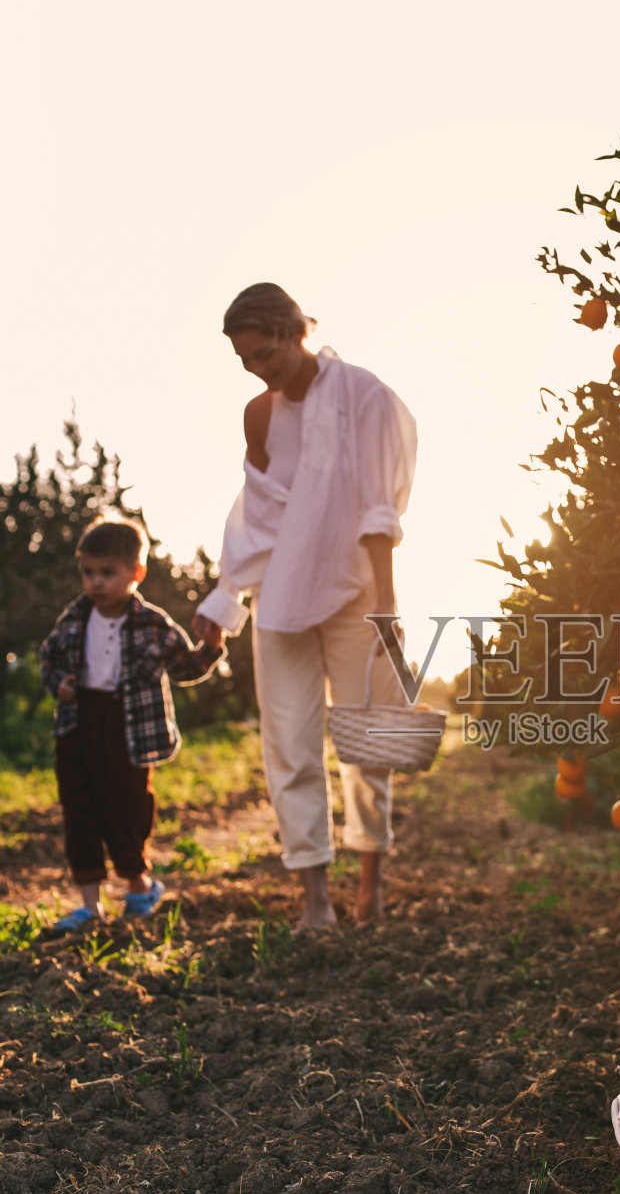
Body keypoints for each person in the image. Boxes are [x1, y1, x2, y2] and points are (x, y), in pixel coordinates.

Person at [193, 282, 417, 929]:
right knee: (288, 744)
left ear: (296, 332)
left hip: (355, 591)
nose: (259, 370)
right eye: (246, 362)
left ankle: (369, 882)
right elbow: (257, 517)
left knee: (365, 737)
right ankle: (314, 898)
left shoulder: (362, 395)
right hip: (281, 595)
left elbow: (380, 502)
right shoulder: (258, 415)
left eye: (267, 353)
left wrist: (388, 602)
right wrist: (225, 598)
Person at [38, 516, 226, 937]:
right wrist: (58, 684)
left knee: (126, 808)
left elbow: (185, 668)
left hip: (129, 731)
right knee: (80, 811)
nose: (96, 582)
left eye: (108, 573)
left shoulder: (152, 623)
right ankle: (90, 906)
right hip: (78, 725)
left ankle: (139, 889)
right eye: (88, 572)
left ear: (136, 573)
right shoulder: (73, 618)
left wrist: (210, 648)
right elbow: (47, 657)